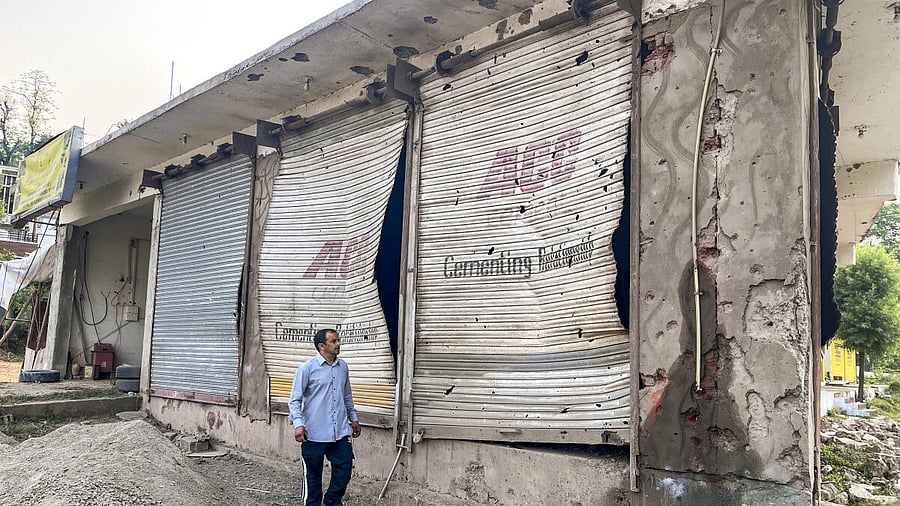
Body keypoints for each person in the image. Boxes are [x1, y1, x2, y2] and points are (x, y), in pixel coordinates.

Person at [289, 328, 362, 506]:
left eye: (338, 340)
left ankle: (332, 500)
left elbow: (347, 396)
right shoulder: (307, 369)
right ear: (322, 346)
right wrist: (298, 424)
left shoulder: (342, 366)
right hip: (313, 433)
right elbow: (294, 400)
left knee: (344, 468)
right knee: (313, 477)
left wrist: (353, 418)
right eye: (334, 342)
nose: (338, 344)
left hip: (339, 433)